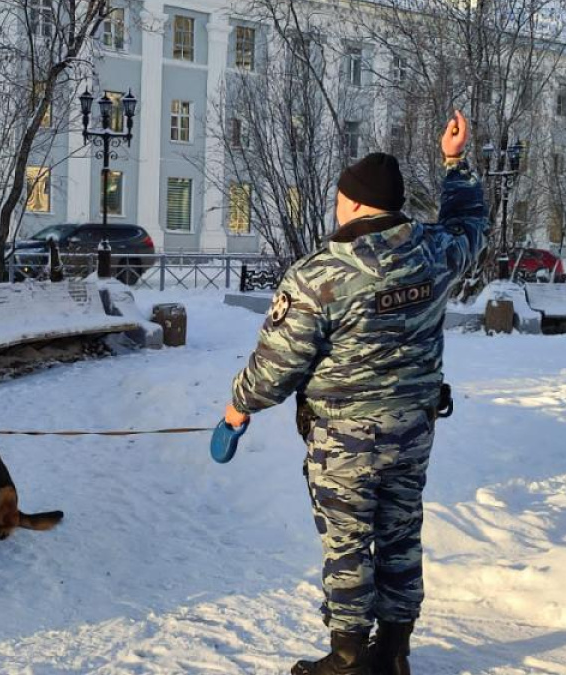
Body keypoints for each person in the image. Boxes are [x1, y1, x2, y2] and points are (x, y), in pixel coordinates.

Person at [221, 111, 488, 675]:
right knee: (398, 537)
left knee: (347, 546)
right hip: (413, 429)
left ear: (357, 204)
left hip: (343, 441)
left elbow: (275, 367)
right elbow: (470, 224)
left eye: (342, 196)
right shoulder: (434, 252)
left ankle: (346, 661)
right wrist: (455, 162)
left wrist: (237, 409)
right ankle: (392, 653)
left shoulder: (320, 275)